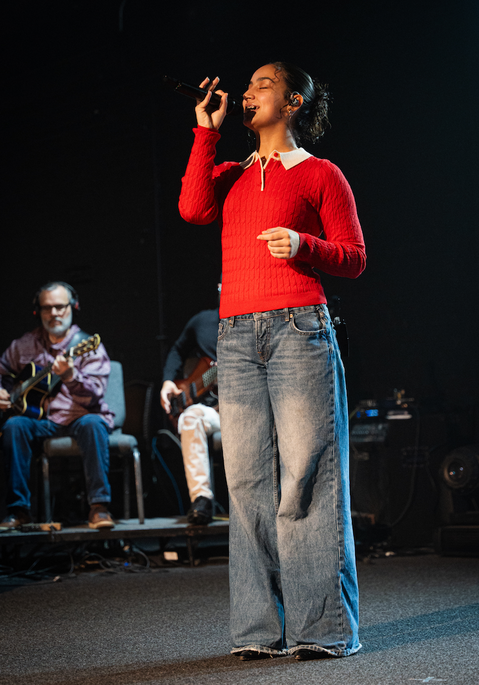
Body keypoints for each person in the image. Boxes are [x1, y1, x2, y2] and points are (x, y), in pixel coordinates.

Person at [178, 62, 366, 661]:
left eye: (263, 84)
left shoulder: (321, 173)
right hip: (235, 336)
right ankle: (259, 632)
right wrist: (205, 132)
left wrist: (304, 244)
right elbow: (192, 209)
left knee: (307, 476)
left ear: (293, 101)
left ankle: (323, 629)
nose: (249, 91)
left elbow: (355, 256)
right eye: (249, 85)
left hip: (298, 328)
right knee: (247, 483)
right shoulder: (232, 173)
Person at [0, 281, 115, 529]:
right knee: (13, 426)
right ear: (38, 311)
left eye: (60, 307)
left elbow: (96, 394)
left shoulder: (88, 346)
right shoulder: (24, 344)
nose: (54, 313)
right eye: (47, 308)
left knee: (94, 424)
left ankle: (99, 507)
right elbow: (3, 370)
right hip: (40, 420)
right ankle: (19, 510)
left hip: (79, 416)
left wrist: (71, 377)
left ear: (73, 308)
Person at [160, 289, 220, 525]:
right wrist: (168, 380)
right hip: (216, 410)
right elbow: (178, 349)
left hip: (250, 408)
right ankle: (201, 499)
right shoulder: (203, 321)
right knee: (190, 416)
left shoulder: (259, 319)